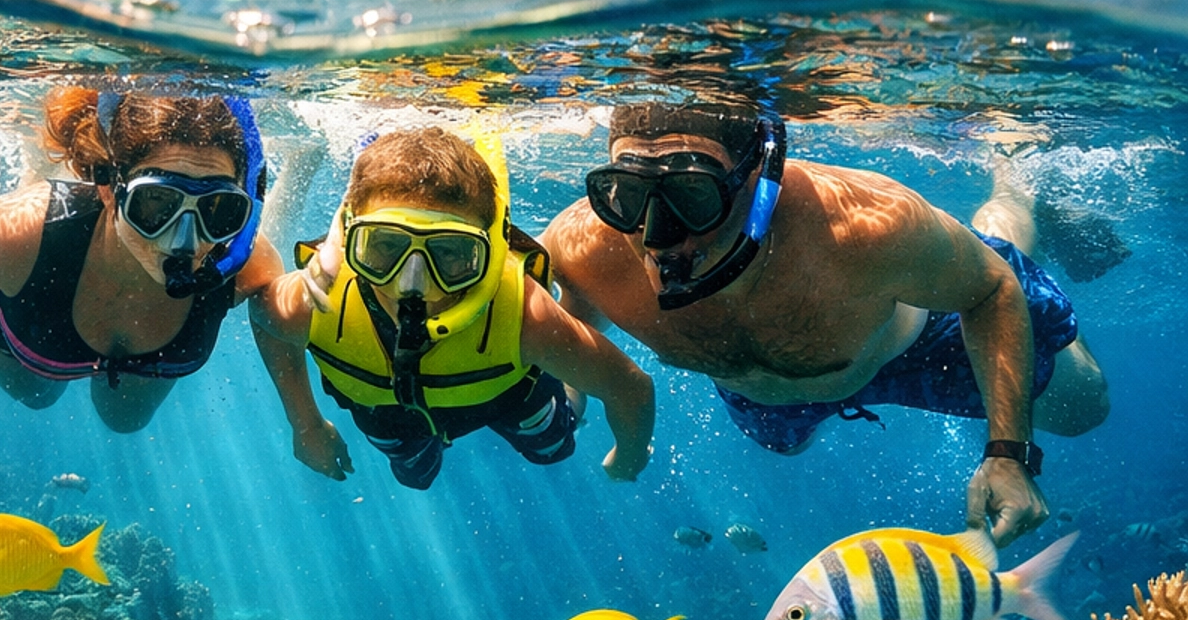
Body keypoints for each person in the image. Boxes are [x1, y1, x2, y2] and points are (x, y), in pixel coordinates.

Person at [542, 98, 1109, 544]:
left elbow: (987, 289)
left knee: (1086, 407)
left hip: (922, 341)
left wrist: (1007, 455)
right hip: (766, 395)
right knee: (783, 447)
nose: (655, 235)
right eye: (628, 194)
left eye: (693, 195)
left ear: (759, 175)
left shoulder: (870, 225)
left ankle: (1011, 196)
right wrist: (574, 392)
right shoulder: (584, 247)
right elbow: (570, 318)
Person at [0, 83, 350, 466]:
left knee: (125, 420)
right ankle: (31, 170)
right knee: (33, 390)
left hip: (136, 356)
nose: (185, 242)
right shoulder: (23, 237)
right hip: (16, 312)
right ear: (110, 191)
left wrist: (305, 421)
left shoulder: (239, 259)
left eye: (218, 209)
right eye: (156, 205)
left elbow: (272, 319)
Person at [252, 125, 655, 491]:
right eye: (386, 247)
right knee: (414, 475)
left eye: (449, 254)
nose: (413, 285)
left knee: (554, 449)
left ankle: (570, 375)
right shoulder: (315, 303)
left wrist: (630, 456)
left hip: (509, 393)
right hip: (390, 411)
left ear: (486, 255)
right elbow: (264, 318)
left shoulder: (525, 318)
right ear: (351, 244)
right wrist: (303, 422)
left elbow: (630, 388)